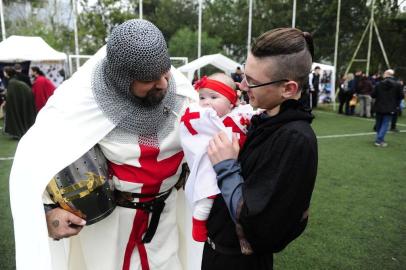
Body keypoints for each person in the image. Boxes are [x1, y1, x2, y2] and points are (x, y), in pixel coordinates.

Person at [9, 19, 197, 270]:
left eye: (165, 72)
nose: (163, 84)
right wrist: (49, 214)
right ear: (122, 78)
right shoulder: (80, 101)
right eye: (149, 79)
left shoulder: (182, 93)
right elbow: (36, 158)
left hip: (165, 222)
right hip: (107, 231)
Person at [202, 28, 318, 270]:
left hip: (239, 263)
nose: (243, 86)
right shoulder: (264, 120)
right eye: (245, 75)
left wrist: (226, 167)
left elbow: (260, 223)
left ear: (289, 89)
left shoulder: (295, 139)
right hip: (216, 252)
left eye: (253, 82)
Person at [179, 73, 254, 253]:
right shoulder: (203, 118)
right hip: (213, 163)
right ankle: (199, 219)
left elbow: (255, 113)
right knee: (206, 186)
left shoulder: (242, 113)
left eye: (214, 97)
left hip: (239, 168)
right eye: (202, 97)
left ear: (231, 102)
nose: (206, 102)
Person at [371, 69, 404, 147]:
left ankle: (379, 139)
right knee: (385, 124)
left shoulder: (378, 84)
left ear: (386, 74)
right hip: (390, 107)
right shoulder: (398, 84)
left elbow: (373, 95)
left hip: (379, 106)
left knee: (379, 123)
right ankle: (379, 140)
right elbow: (401, 96)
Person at [3, 66, 36, 139]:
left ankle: (18, 132)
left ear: (7, 73)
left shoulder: (12, 82)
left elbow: (11, 96)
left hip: (23, 99)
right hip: (24, 99)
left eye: (4, 72)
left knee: (17, 114)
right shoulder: (13, 80)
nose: (3, 73)